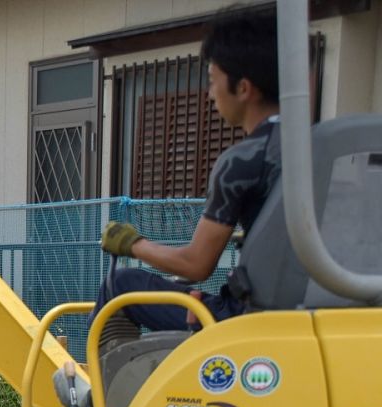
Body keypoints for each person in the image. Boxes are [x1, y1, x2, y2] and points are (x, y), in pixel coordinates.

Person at [93, 7, 283, 338]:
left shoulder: (243, 161)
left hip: (247, 320)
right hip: (323, 315)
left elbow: (196, 265)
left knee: (119, 285)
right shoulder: (325, 149)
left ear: (243, 88)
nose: (210, 95)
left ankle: (102, 391)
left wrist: (131, 243)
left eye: (212, 81)